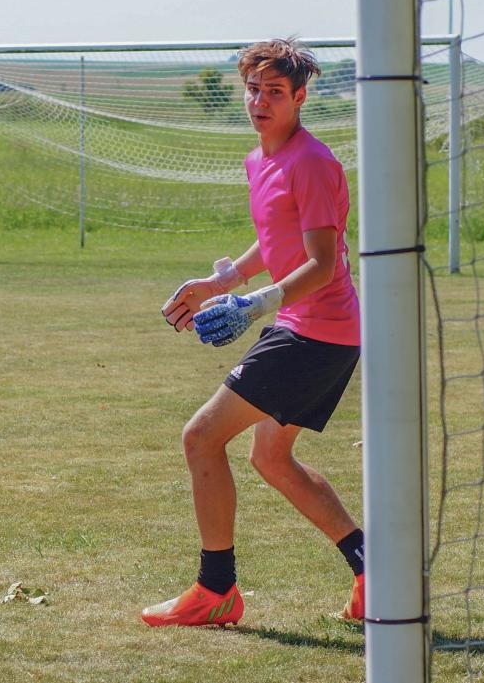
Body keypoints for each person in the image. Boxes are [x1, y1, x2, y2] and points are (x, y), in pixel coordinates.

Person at [144, 38, 365, 628]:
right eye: (253, 90)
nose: (261, 101)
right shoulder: (260, 159)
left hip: (318, 331)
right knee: (271, 457)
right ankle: (374, 573)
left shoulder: (312, 162)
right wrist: (221, 283)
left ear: (299, 97)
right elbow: (277, 242)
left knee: (200, 438)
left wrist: (253, 305)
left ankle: (216, 591)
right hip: (314, 328)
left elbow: (321, 261)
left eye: (275, 92)